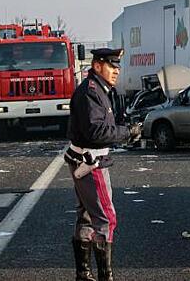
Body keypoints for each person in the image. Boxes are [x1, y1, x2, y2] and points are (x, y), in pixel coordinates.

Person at [65, 48, 141, 281]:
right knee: (106, 218)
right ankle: (104, 276)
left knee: (87, 215)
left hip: (86, 159)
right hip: (91, 162)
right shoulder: (91, 92)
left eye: (118, 67)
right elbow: (96, 131)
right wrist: (127, 133)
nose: (116, 71)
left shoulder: (99, 89)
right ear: (97, 66)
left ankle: (83, 273)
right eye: (111, 66)